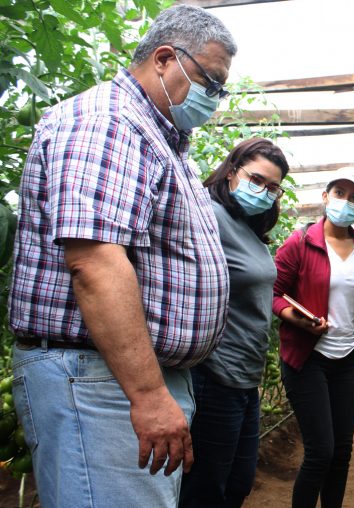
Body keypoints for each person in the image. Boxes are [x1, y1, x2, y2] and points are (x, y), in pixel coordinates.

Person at [8, 6, 236, 507]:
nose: (214, 100)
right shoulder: (108, 122)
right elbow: (94, 261)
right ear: (164, 59)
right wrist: (149, 395)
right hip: (97, 380)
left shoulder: (157, 135)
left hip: (115, 379)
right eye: (210, 83)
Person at [272, 166, 354, 508]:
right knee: (320, 452)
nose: (347, 202)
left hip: (345, 359)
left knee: (342, 451)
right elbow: (275, 293)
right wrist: (297, 320)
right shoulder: (300, 243)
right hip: (307, 359)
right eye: (340, 194)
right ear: (325, 196)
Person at [179, 138, 289, 507]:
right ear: (231, 172)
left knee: (238, 484)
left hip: (244, 378)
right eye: (256, 180)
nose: (264, 192)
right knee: (207, 490)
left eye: (273, 188)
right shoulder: (207, 215)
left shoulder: (251, 231)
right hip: (213, 376)